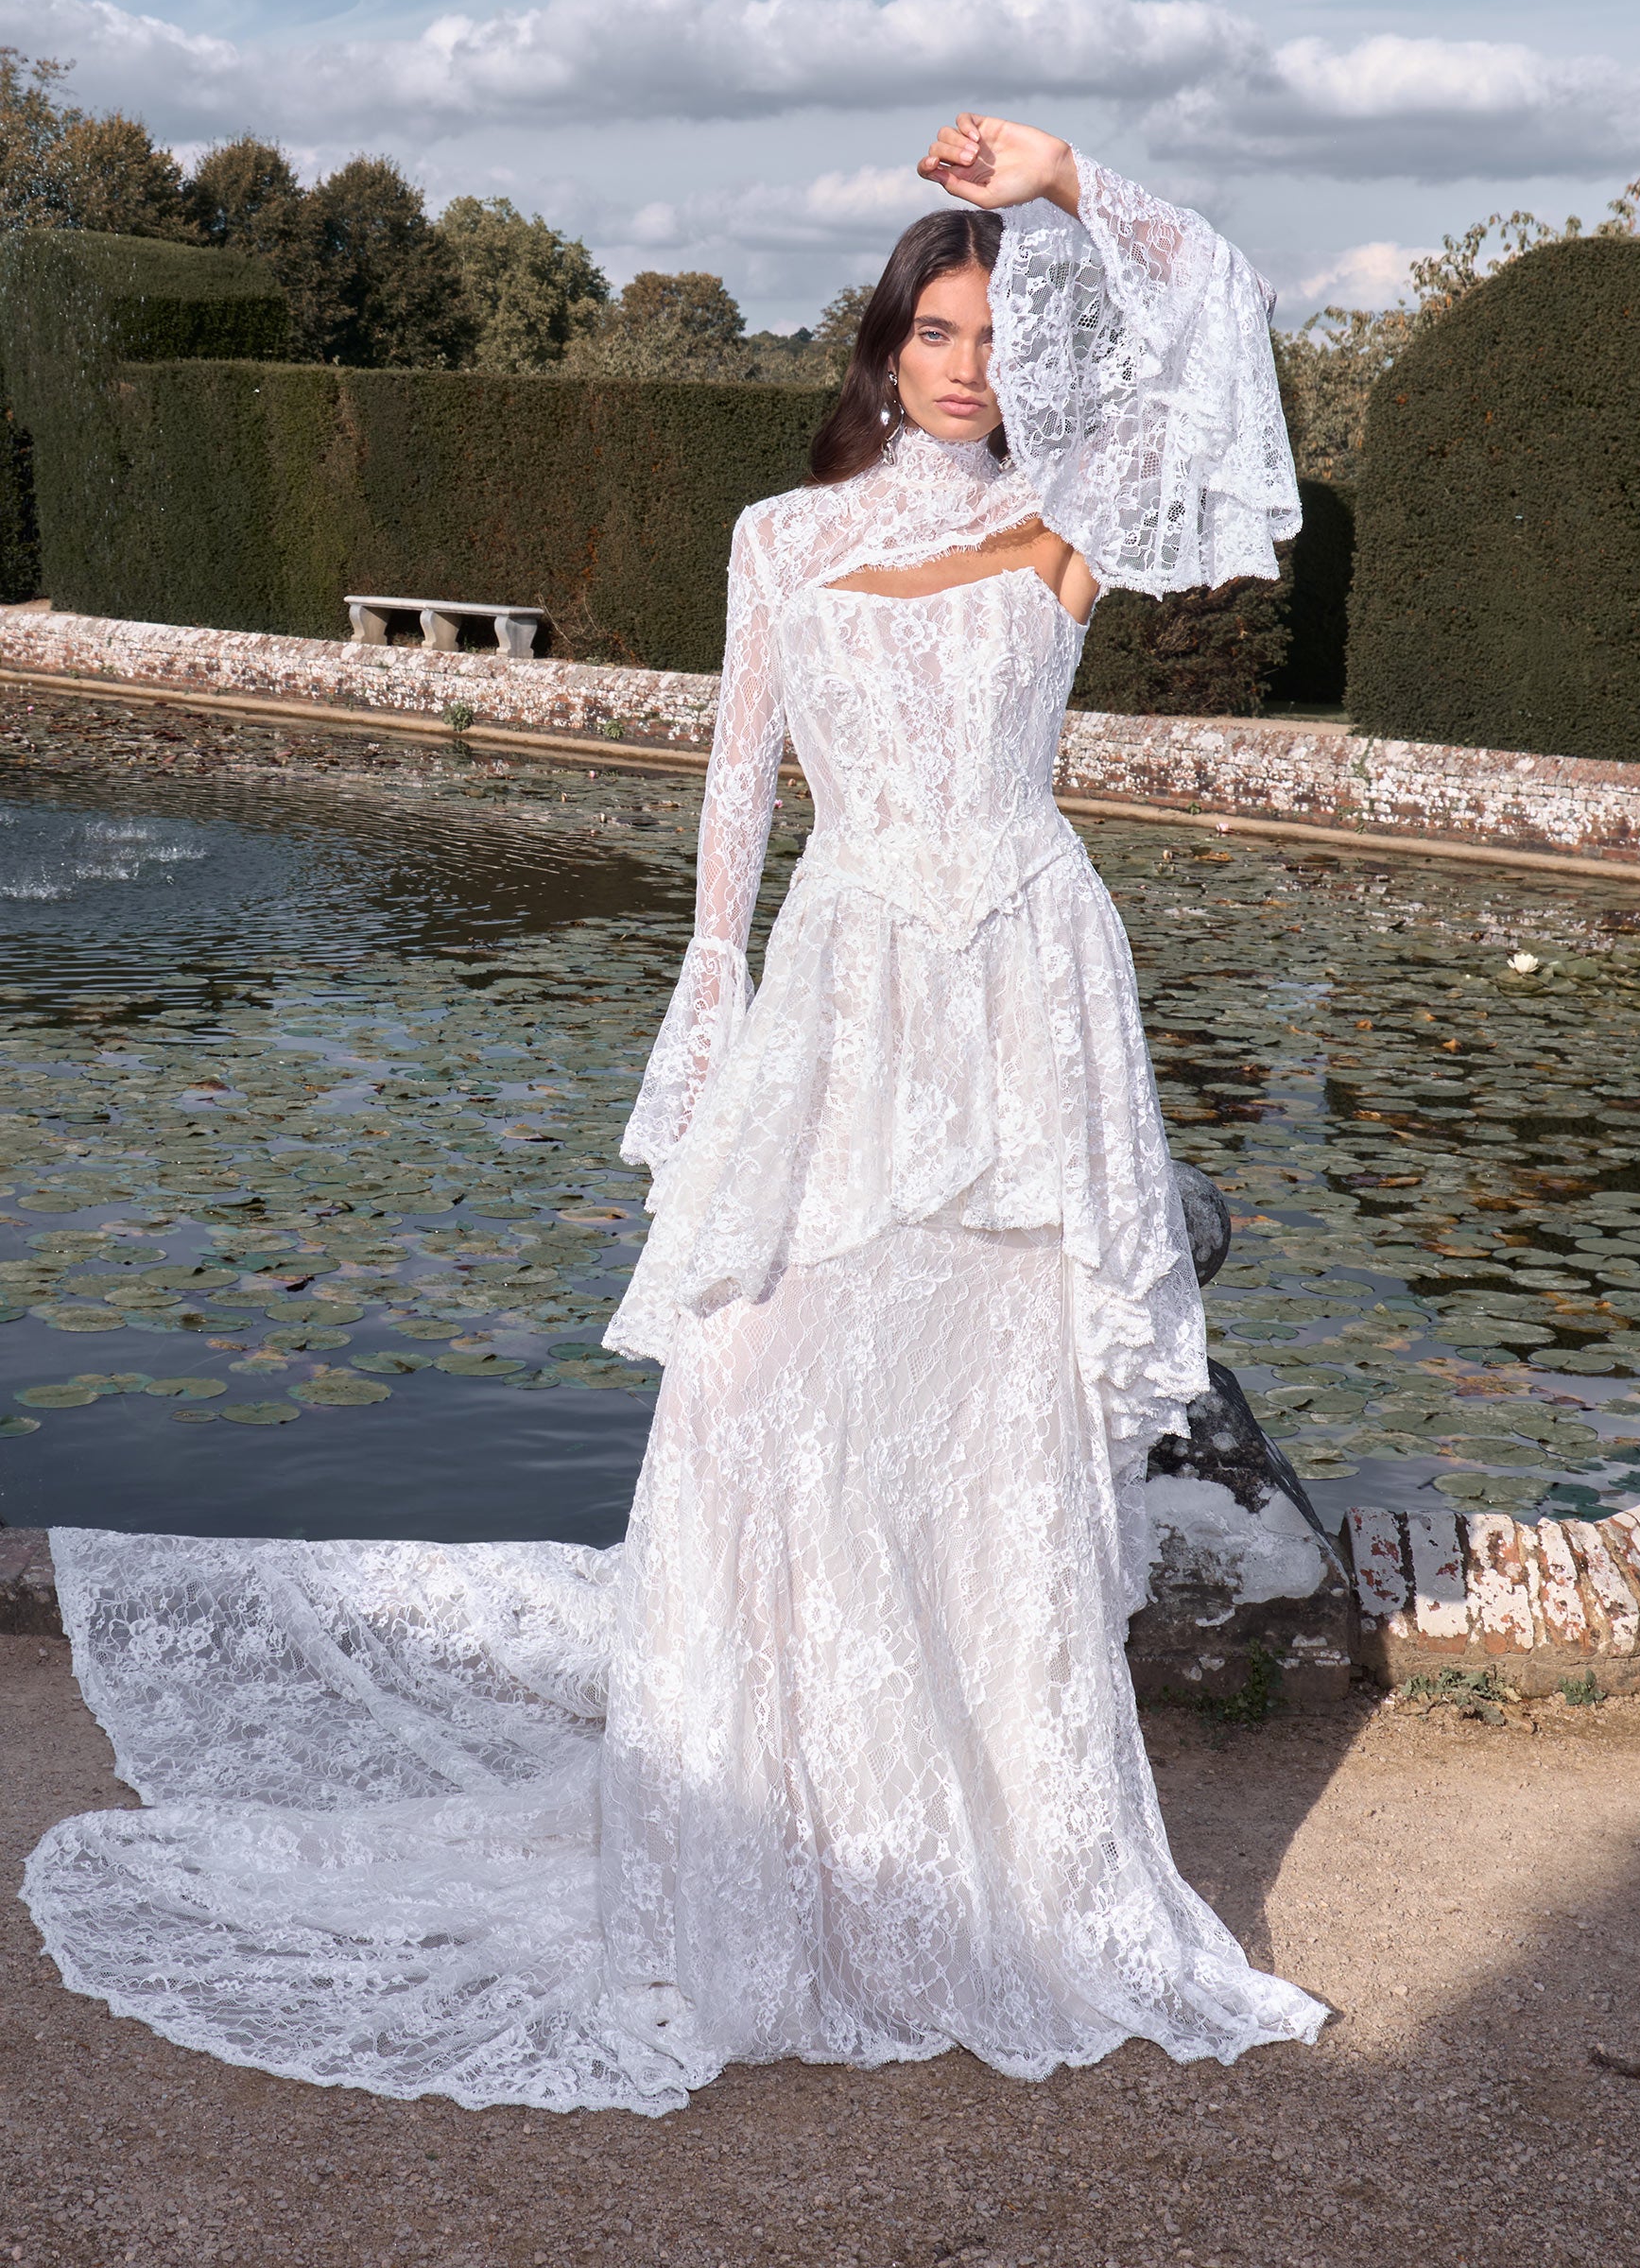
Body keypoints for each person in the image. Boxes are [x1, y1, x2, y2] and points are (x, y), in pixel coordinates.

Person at [23, 116, 1325, 2115]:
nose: (967, 363)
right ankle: (756, 1858)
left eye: (995, 332)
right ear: (881, 344)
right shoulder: (778, 539)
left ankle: (1000, 1870)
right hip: (842, 993)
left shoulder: (1073, 517)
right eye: (936, 326)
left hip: (1021, 1002)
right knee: (751, 1391)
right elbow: (733, 804)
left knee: (992, 1428)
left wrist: (1067, 179)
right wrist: (705, 1053)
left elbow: (1220, 324)